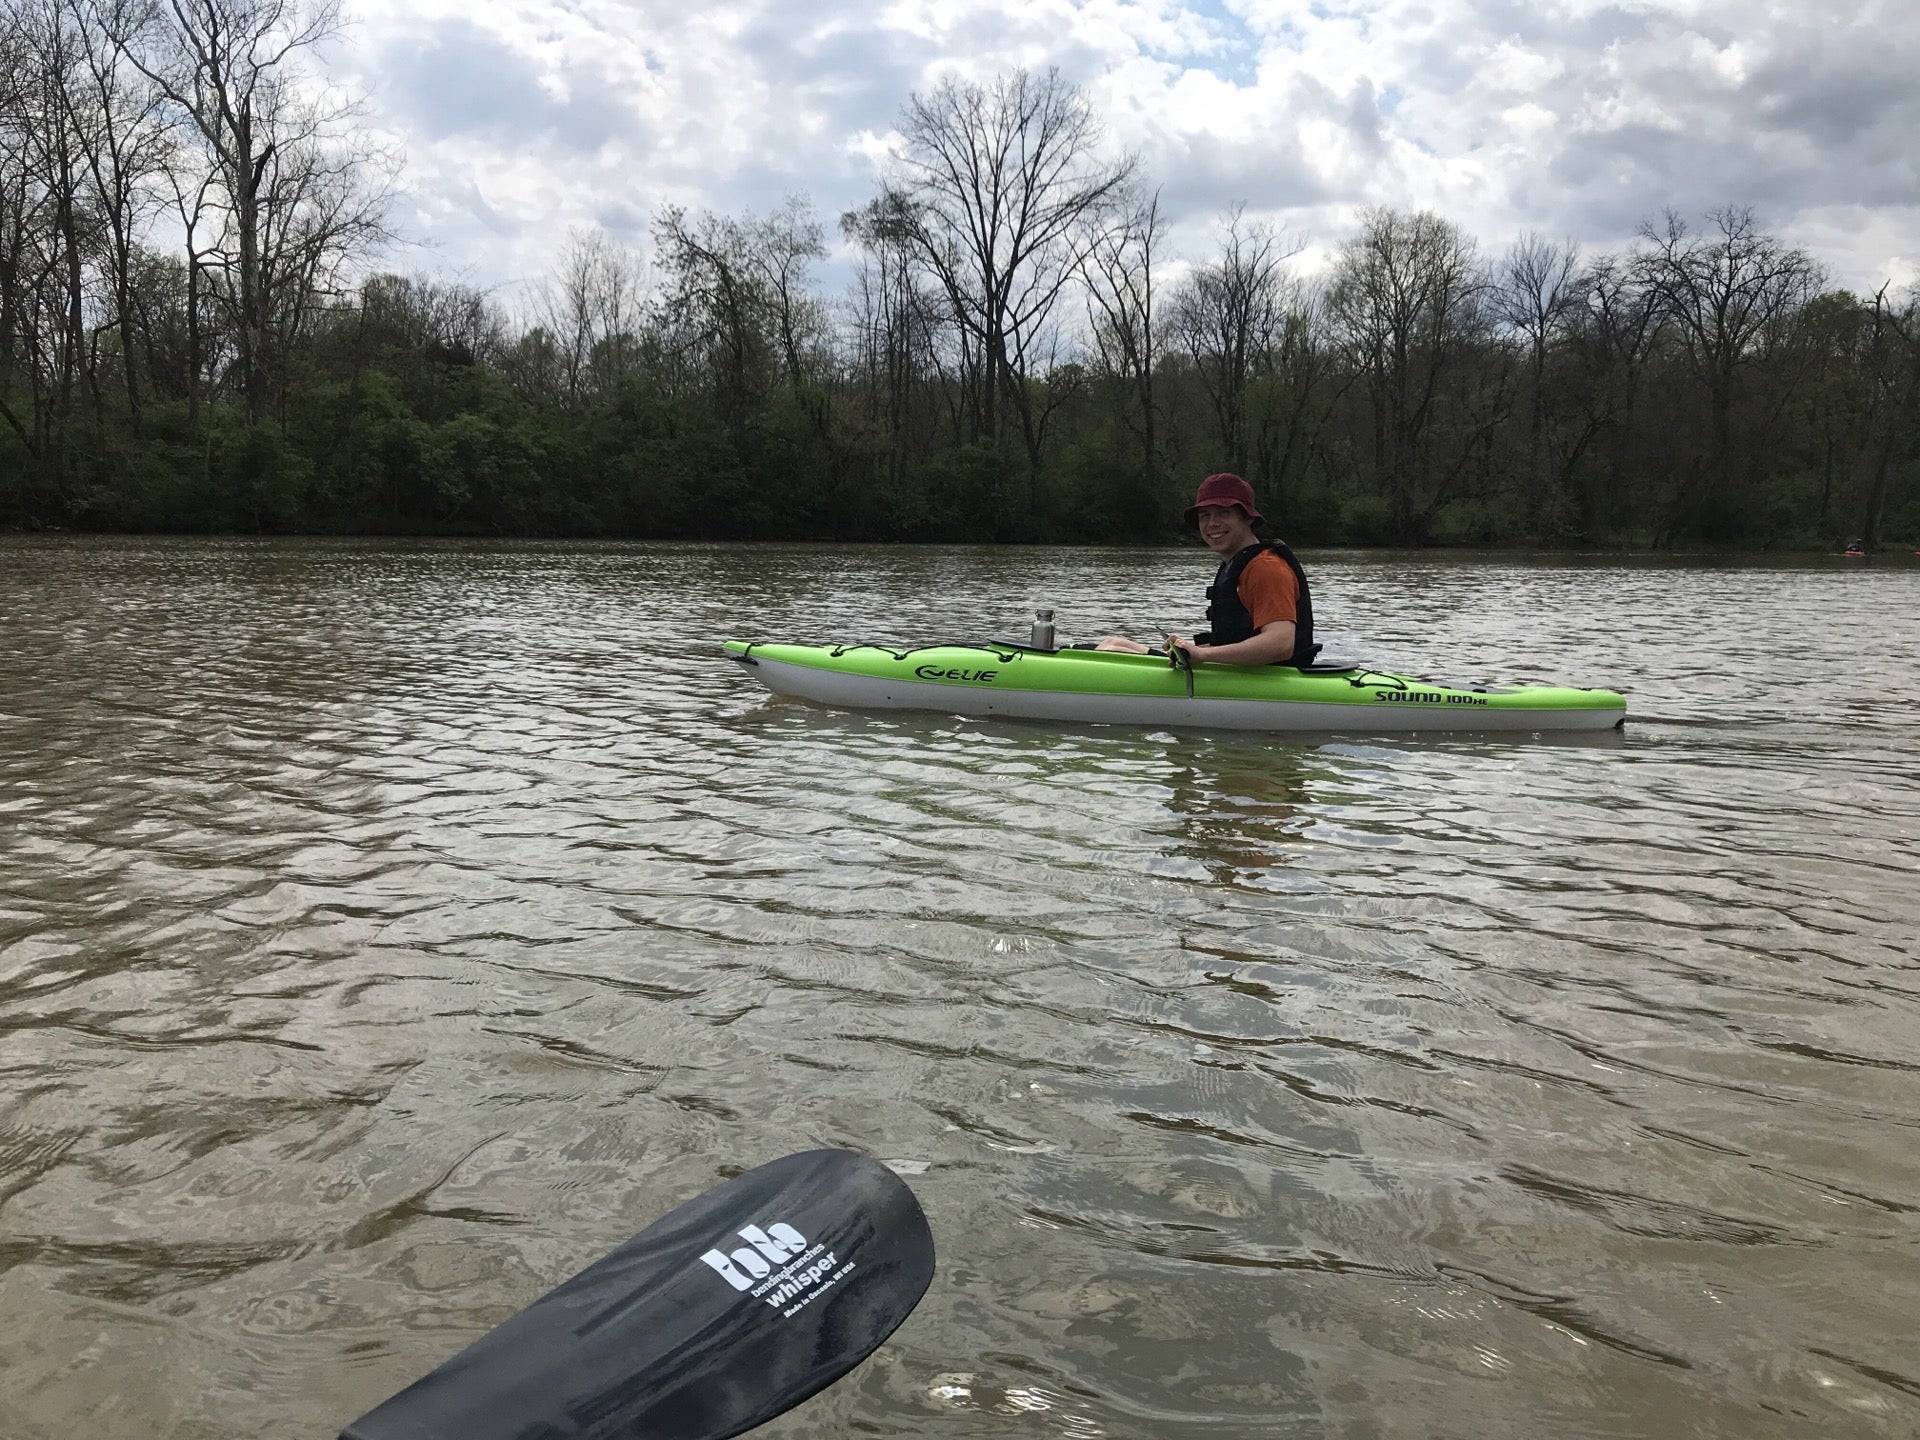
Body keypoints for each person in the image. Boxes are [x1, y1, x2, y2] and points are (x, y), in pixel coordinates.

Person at [1096, 472, 1319, 666]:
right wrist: (1187, 649)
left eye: (1223, 513)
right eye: (1205, 515)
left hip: (1272, 681)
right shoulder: (1237, 565)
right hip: (1242, 673)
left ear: (1248, 519)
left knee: (1111, 652)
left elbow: (1281, 644)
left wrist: (1203, 654)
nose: (1212, 523)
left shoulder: (1266, 568)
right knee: (1114, 644)